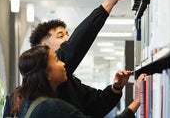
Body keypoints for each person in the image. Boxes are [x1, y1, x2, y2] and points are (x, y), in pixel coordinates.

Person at [3, 0, 135, 117]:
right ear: (43, 47)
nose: (67, 39)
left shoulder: (68, 81)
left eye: (67, 35)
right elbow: (75, 47)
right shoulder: (42, 104)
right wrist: (107, 4)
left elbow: (95, 104)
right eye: (60, 36)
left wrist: (116, 88)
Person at [11, 46, 145, 117]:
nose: (63, 64)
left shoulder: (27, 102)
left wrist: (116, 87)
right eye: (57, 60)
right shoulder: (53, 108)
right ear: (47, 73)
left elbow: (95, 102)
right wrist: (137, 102)